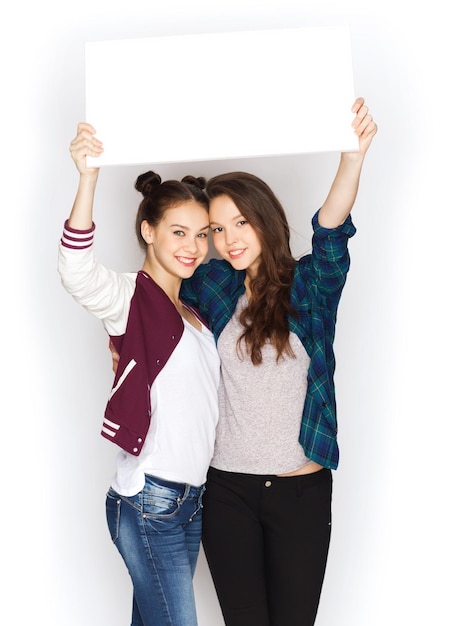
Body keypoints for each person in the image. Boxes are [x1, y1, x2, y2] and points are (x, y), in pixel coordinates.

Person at [110, 97, 377, 625]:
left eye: (239, 224)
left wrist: (352, 159)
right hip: (228, 490)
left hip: (301, 490)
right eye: (216, 229)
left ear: (264, 220)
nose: (227, 239)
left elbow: (330, 234)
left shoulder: (309, 287)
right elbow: (159, 278)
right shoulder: (211, 287)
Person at [58, 124, 221, 626]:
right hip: (151, 501)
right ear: (148, 230)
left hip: (190, 502)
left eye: (201, 235)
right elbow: (78, 273)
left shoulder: (195, 315)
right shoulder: (133, 297)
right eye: (178, 232)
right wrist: (88, 179)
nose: (192, 246)